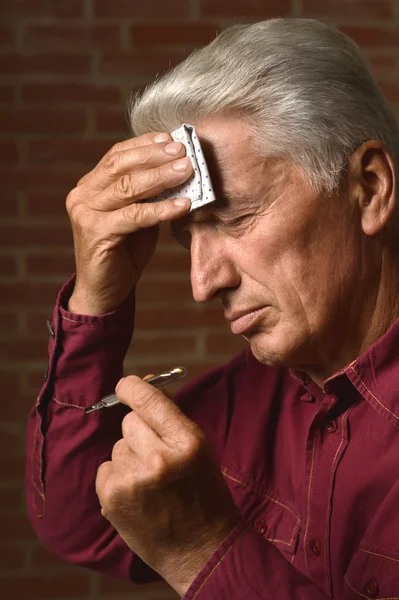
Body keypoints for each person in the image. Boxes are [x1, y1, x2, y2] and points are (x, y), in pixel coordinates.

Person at [26, 18, 399, 600]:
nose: (203, 283)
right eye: (187, 237)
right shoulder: (251, 397)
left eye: (236, 219)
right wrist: (97, 303)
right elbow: (81, 523)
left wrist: (203, 551)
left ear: (370, 188)